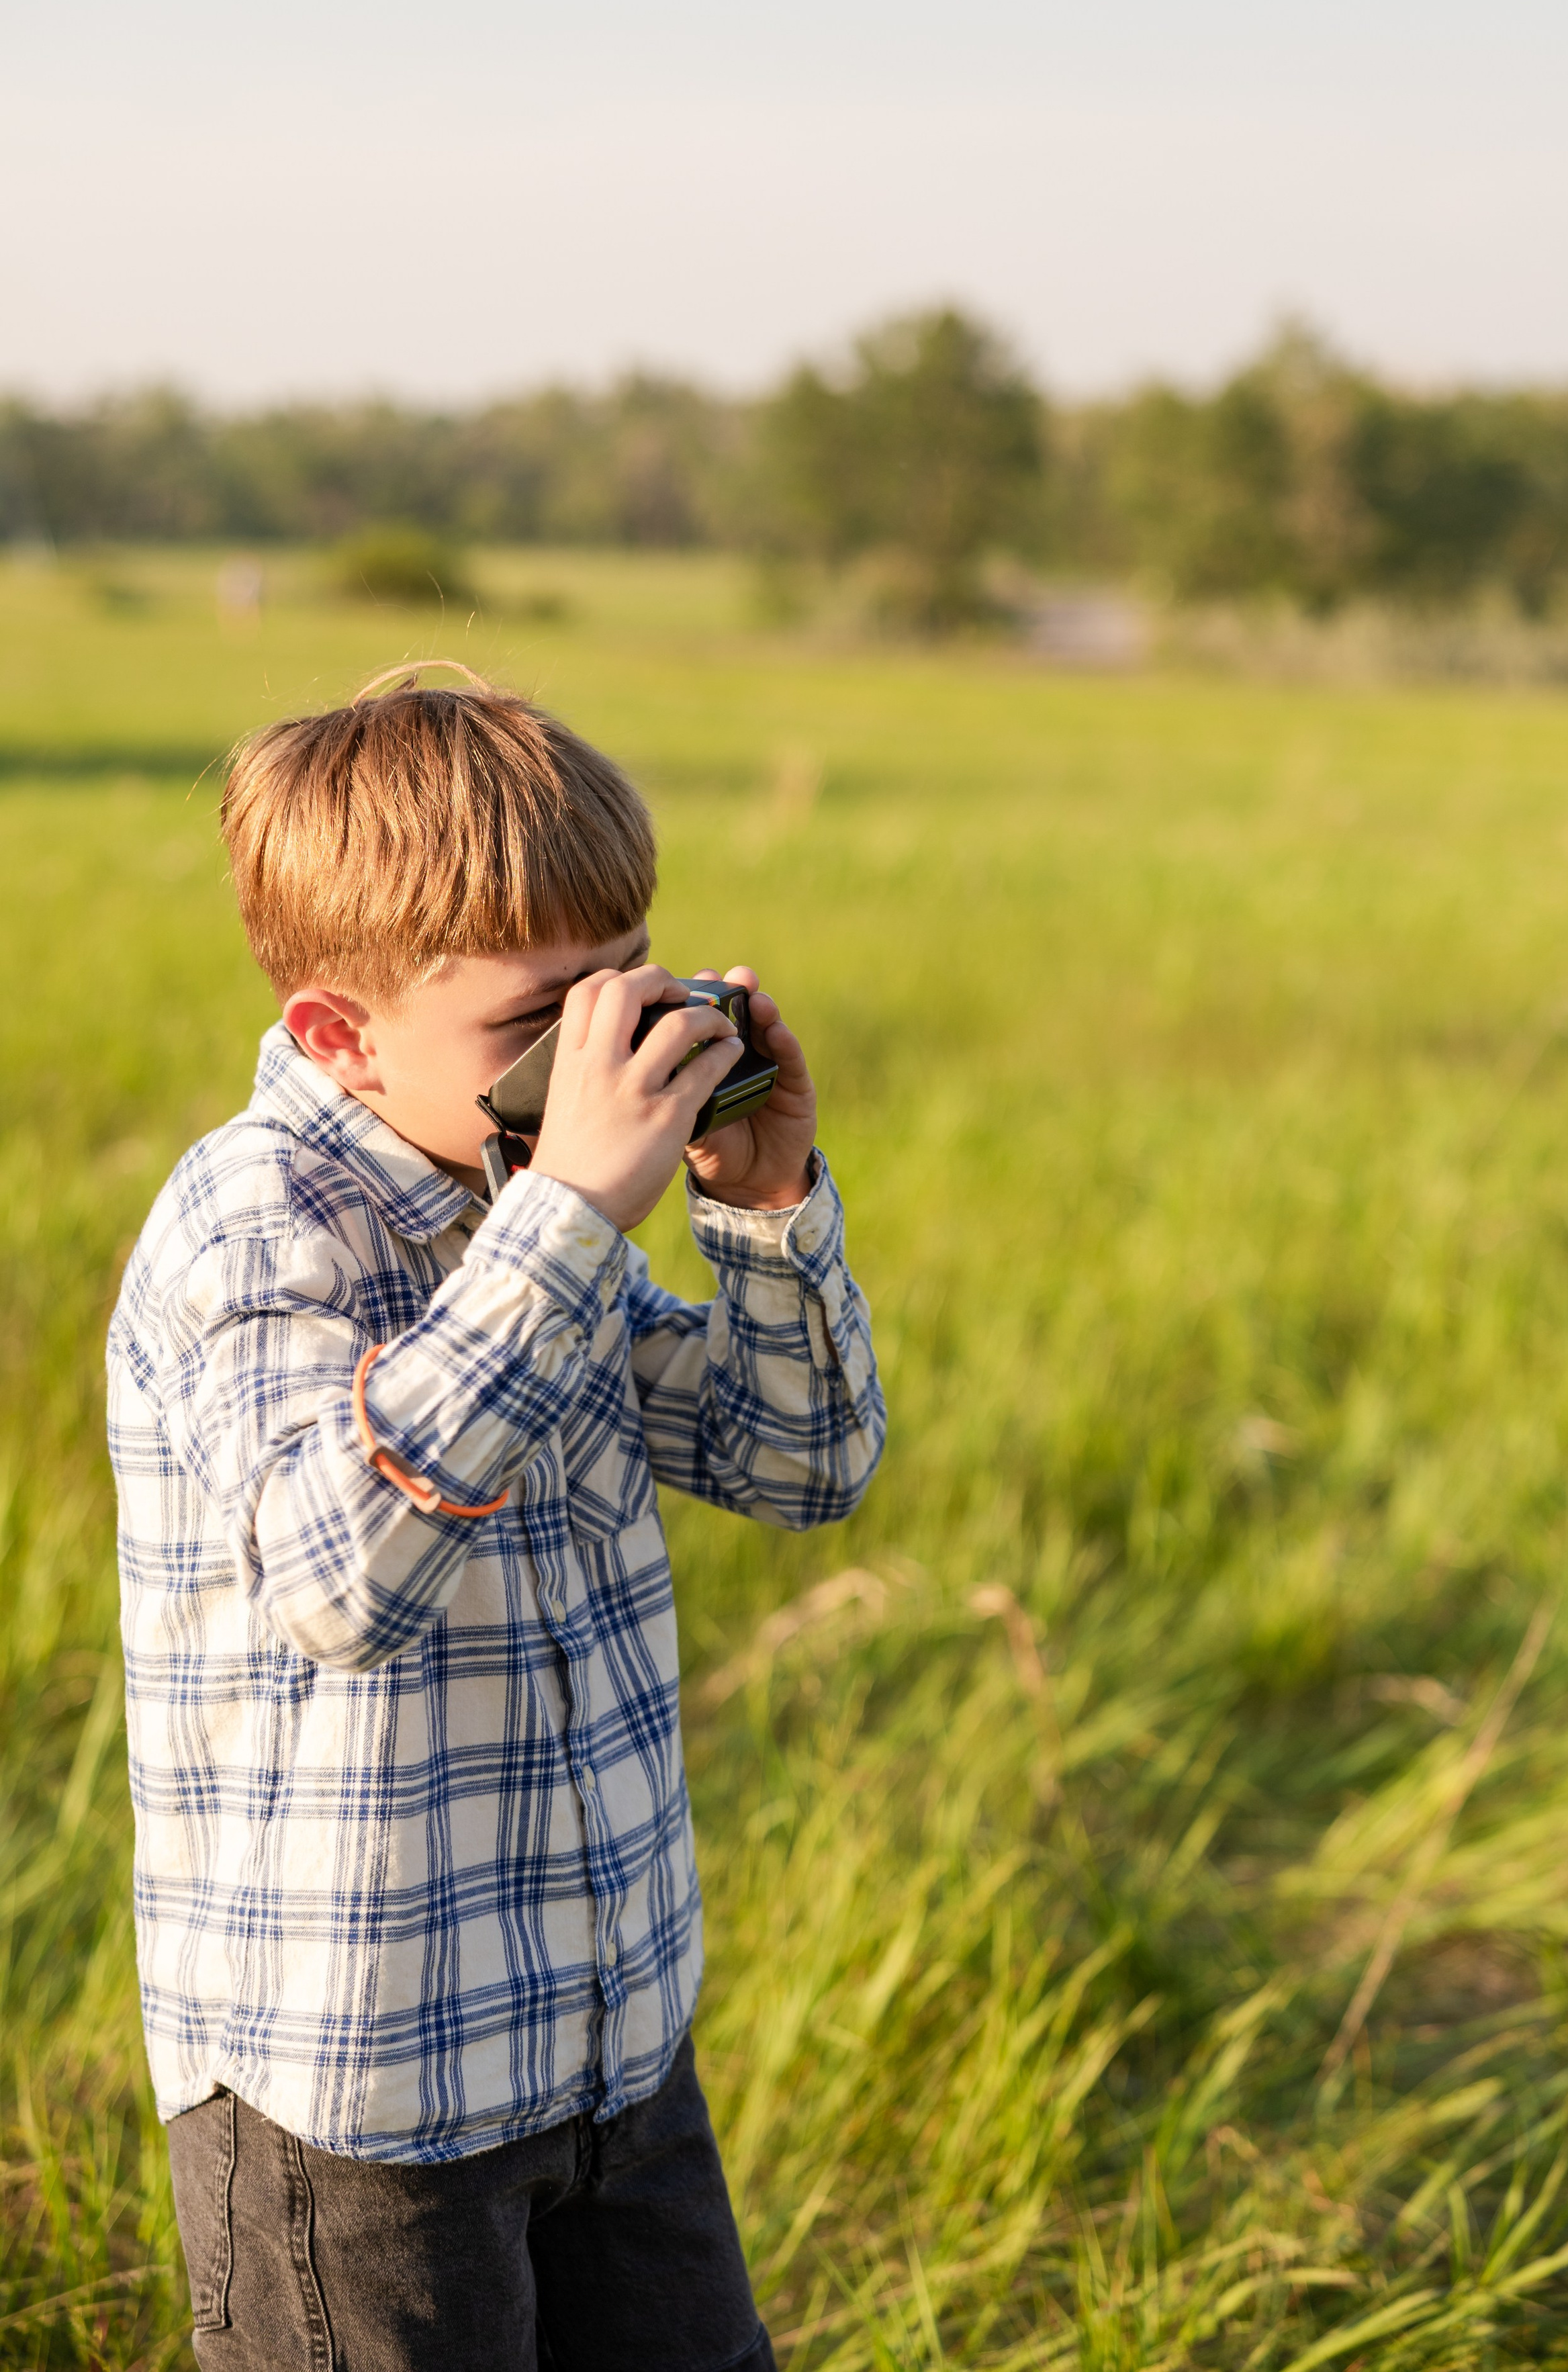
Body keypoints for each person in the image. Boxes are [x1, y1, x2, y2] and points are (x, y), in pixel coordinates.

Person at [107, 666, 886, 2371]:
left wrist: (760, 1215)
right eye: (541, 1022)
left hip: (612, 2046)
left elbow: (800, 1463)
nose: (603, 1054)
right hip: (364, 2108)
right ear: (341, 1033)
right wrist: (571, 1217)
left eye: (625, 987)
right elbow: (333, 1576)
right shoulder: (255, 1222)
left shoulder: (520, 1198)